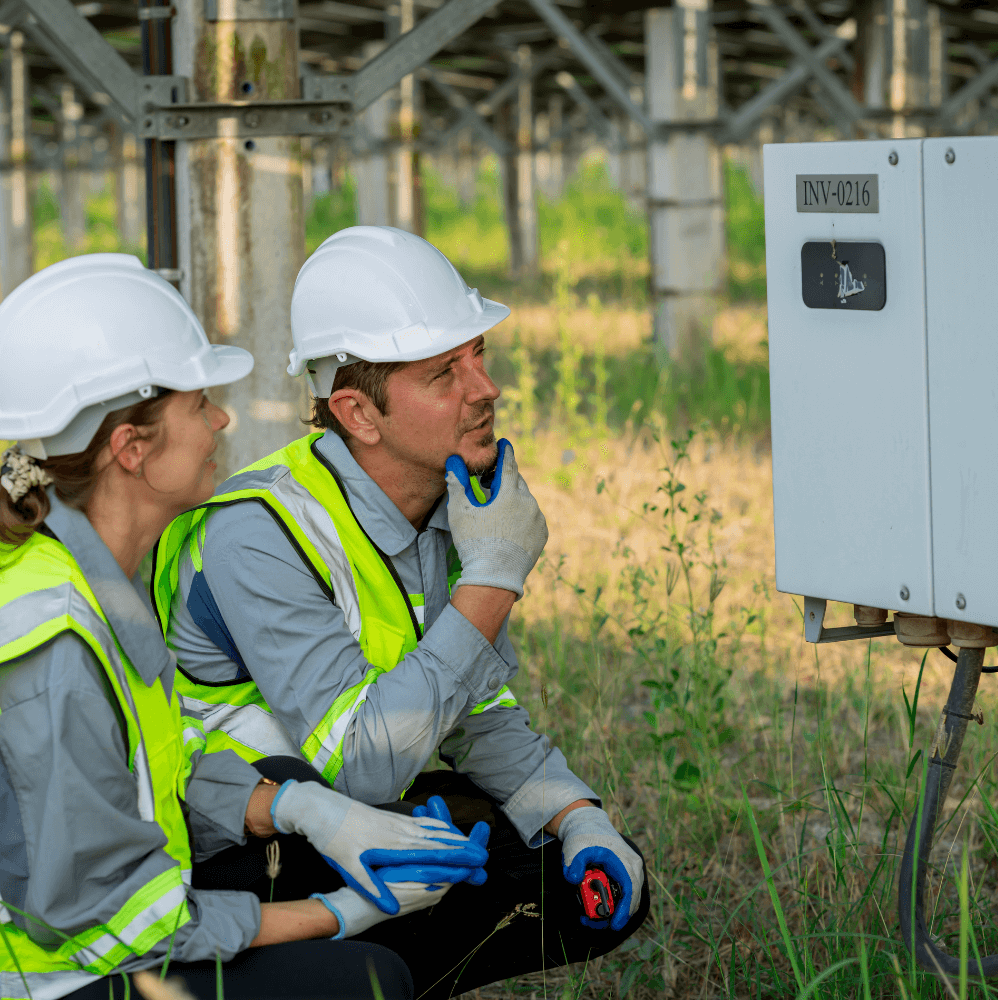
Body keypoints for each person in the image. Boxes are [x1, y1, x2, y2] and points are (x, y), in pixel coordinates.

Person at [154, 226, 650, 998]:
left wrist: (578, 818)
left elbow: (476, 708)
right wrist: (490, 582)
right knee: (424, 868)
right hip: (225, 839)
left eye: (479, 355)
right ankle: (342, 980)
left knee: (580, 885)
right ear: (357, 412)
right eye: (444, 372)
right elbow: (359, 763)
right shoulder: (260, 532)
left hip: (335, 815)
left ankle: (375, 980)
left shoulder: (446, 510)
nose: (484, 389)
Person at [0, 254, 492, 1000]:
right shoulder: (55, 638)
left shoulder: (88, 573)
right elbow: (118, 920)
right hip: (48, 982)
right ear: (133, 449)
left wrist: (291, 807)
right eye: (200, 406)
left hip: (87, 955)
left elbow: (134, 772)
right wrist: (336, 914)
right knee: (367, 980)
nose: (223, 421)